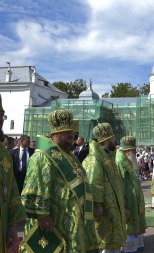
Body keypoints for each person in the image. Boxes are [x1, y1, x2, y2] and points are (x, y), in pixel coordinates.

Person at [20, 108, 96, 252]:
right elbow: (36, 186)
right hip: (54, 220)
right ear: (55, 133)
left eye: (72, 131)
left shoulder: (69, 155)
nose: (71, 135)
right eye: (67, 132)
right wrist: (42, 215)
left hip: (72, 220)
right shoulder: (42, 156)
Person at [0, 87, 26, 252]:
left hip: (0, 234)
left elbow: (11, 191)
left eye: (1, 115)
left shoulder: (3, 154)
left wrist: (12, 225)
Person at [82, 122, 127, 252]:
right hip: (104, 208)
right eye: (113, 138)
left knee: (113, 241)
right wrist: (97, 204)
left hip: (113, 205)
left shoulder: (107, 155)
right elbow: (93, 182)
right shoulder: (94, 158)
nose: (115, 140)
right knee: (105, 241)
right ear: (106, 140)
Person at [116, 136, 147, 252]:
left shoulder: (129, 160)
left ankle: (137, 244)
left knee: (136, 219)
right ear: (127, 151)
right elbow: (120, 181)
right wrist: (122, 197)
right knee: (128, 222)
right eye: (133, 150)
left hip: (135, 197)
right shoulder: (120, 162)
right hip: (128, 199)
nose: (135, 152)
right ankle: (129, 247)